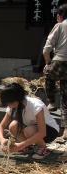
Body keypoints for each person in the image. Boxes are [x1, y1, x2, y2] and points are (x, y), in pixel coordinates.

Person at [0, 83, 59, 160]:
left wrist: (20, 145)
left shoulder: (35, 105)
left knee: (29, 130)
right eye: (7, 103)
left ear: (19, 99)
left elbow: (42, 133)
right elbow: (1, 126)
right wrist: (2, 140)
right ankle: (27, 147)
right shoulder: (12, 106)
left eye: (11, 103)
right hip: (32, 129)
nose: (9, 105)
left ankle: (43, 148)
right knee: (13, 126)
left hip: (50, 131)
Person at [43, 4, 67, 139]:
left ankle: (51, 102)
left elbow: (46, 50)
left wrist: (47, 64)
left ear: (60, 15)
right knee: (66, 97)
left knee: (48, 74)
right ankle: (65, 130)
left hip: (59, 62)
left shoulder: (59, 25)